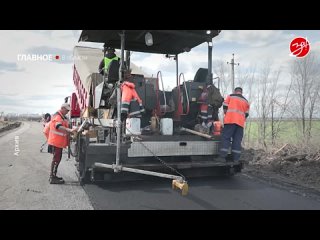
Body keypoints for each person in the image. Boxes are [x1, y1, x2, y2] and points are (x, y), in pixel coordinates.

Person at [47, 103, 77, 184]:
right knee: (56, 159)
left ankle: (53, 176)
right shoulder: (58, 116)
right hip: (56, 142)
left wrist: (69, 133)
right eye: (66, 110)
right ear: (62, 108)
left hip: (58, 142)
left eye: (68, 110)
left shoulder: (62, 117)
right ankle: (52, 177)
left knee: (57, 159)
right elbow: (58, 126)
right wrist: (69, 130)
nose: (67, 112)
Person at [220, 87, 250, 162]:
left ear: (235, 91)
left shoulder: (231, 96)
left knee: (226, 138)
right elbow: (246, 114)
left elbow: (225, 106)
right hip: (240, 124)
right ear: (241, 92)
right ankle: (235, 159)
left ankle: (222, 157)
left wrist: (226, 114)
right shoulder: (246, 101)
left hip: (230, 120)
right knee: (237, 140)